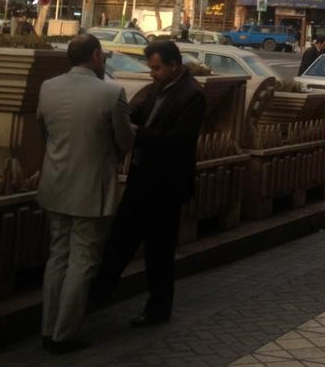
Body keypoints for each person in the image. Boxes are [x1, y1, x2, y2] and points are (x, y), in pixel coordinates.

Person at [92, 41, 206, 327]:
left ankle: (157, 308)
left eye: (156, 68)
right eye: (150, 67)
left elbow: (180, 141)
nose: (152, 73)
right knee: (120, 241)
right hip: (142, 178)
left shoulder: (192, 95)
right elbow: (135, 112)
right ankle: (95, 298)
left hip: (166, 184)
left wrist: (138, 133)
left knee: (159, 250)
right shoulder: (157, 89)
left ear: (174, 65)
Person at [36, 34, 135, 354]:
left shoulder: (48, 87)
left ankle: (48, 327)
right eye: (102, 55)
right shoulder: (111, 93)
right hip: (92, 190)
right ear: (94, 56)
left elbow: (44, 132)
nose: (104, 59)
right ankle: (65, 333)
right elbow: (126, 141)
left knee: (57, 257)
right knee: (82, 261)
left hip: (55, 185)